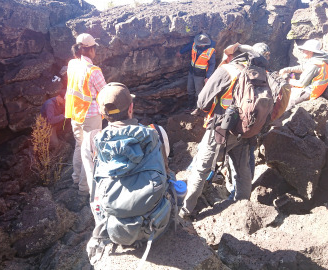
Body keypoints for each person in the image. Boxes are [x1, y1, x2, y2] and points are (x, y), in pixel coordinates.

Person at [179, 43, 271, 219]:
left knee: (201, 169)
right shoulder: (261, 74)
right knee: (242, 169)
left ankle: (186, 210)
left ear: (232, 55)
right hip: (245, 130)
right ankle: (243, 207)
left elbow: (202, 103)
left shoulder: (227, 70)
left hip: (221, 130)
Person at [84, 82, 170, 265]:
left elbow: (95, 193)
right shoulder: (157, 133)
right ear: (131, 108)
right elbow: (165, 171)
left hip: (115, 231)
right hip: (155, 225)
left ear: (102, 114)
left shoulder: (91, 142)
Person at [65, 33, 107, 194]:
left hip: (76, 113)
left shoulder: (72, 64)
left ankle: (76, 178)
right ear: (90, 50)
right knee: (89, 150)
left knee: (79, 146)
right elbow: (104, 93)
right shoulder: (93, 71)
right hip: (90, 116)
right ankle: (84, 188)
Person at [279, 39, 328, 110]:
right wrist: (288, 69)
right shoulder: (318, 59)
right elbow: (302, 67)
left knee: (288, 101)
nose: (302, 51)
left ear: (311, 51)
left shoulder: (315, 65)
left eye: (304, 49)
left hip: (311, 91)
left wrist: (287, 79)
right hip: (317, 88)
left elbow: (301, 84)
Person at [179, 33, 216, 115]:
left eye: (199, 44)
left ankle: (197, 109)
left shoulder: (210, 51)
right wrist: (181, 52)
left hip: (200, 74)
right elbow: (189, 46)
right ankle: (190, 107)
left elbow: (212, 64)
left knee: (199, 92)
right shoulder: (195, 44)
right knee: (190, 89)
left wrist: (208, 77)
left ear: (204, 44)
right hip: (191, 71)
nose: (197, 44)